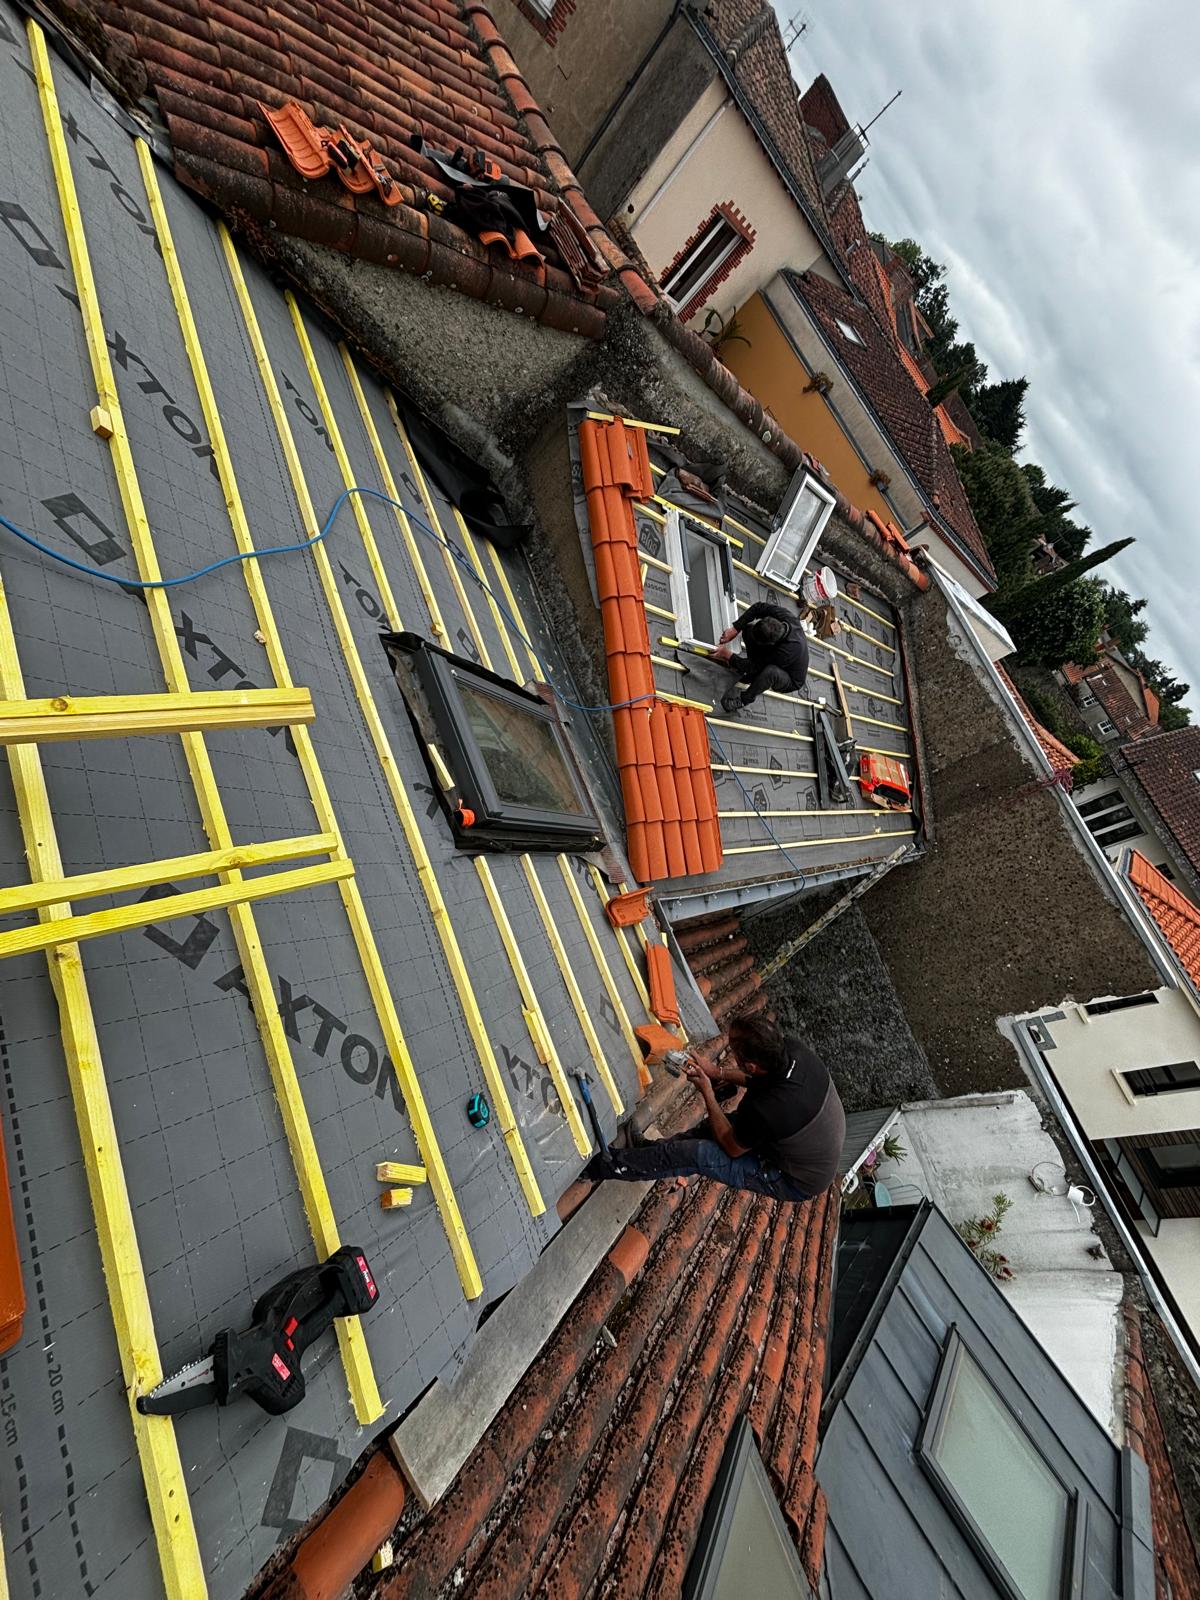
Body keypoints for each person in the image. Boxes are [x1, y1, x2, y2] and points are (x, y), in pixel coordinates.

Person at [585, 1017, 845, 1203]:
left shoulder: (770, 1110)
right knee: (710, 1128)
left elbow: (732, 1147)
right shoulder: (787, 1051)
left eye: (734, 1053)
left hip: (793, 1179)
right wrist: (717, 1072)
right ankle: (645, 1151)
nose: (731, 1053)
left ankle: (606, 1167)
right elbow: (758, 1080)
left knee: (698, 1154)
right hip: (798, 1134)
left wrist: (707, 1092)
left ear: (751, 1065)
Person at [712, 602, 809, 715]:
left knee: (770, 672)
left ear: (771, 644)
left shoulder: (786, 653)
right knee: (748, 629)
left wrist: (727, 655)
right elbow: (758, 608)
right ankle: (748, 674)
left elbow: (755, 666)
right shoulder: (784, 616)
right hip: (777, 653)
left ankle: (743, 700)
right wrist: (736, 628)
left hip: (791, 679)